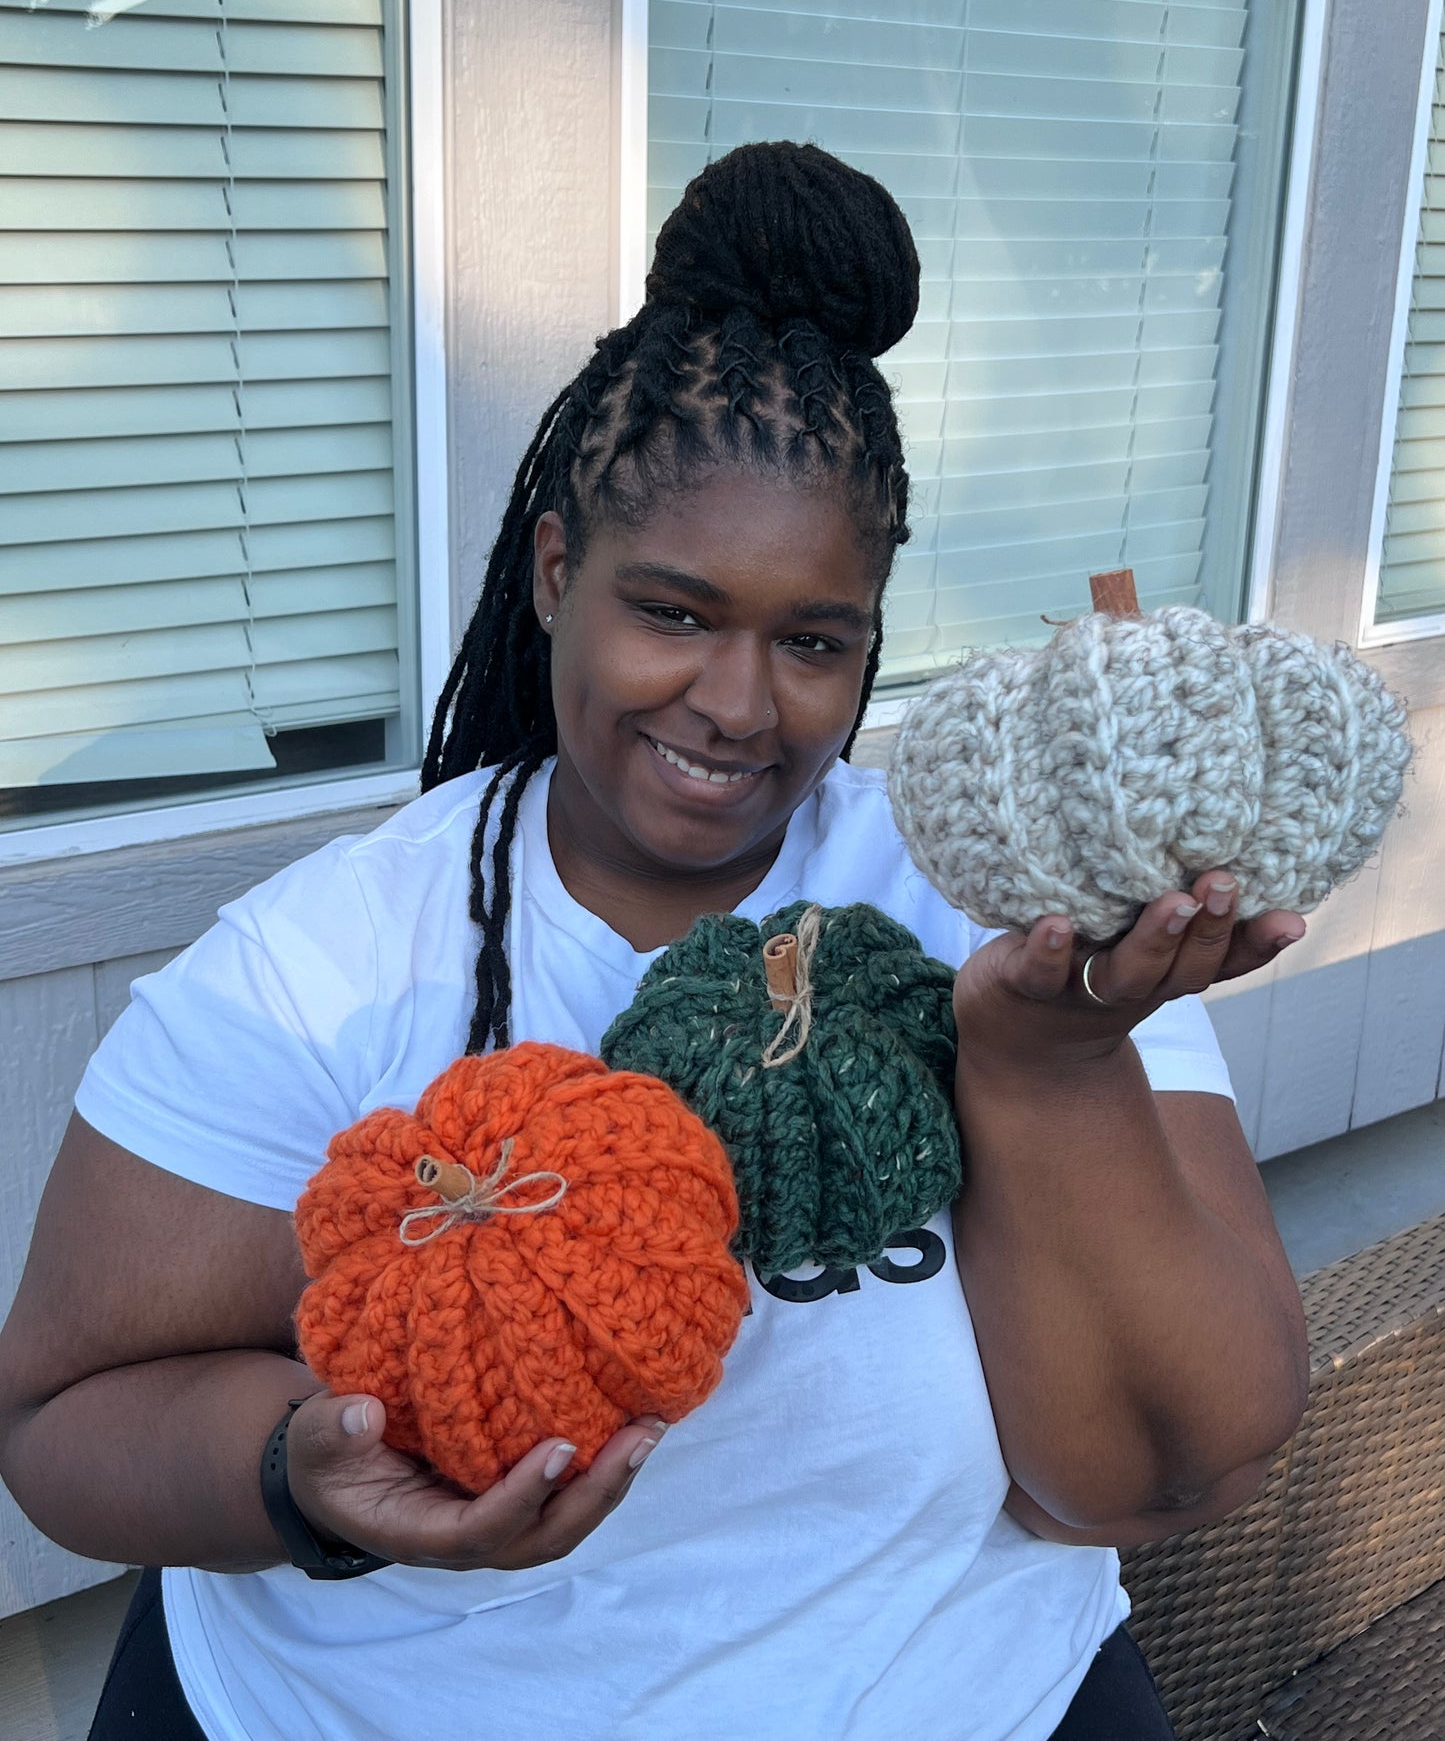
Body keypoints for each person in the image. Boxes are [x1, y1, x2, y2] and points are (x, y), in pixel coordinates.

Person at [0, 142, 1309, 1741]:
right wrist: (300, 1475)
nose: (737, 706)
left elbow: (1172, 1469)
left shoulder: (1000, 910)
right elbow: (59, 1425)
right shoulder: (319, 965)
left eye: (812, 641)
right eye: (674, 613)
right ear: (557, 571)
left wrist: (1045, 1069)